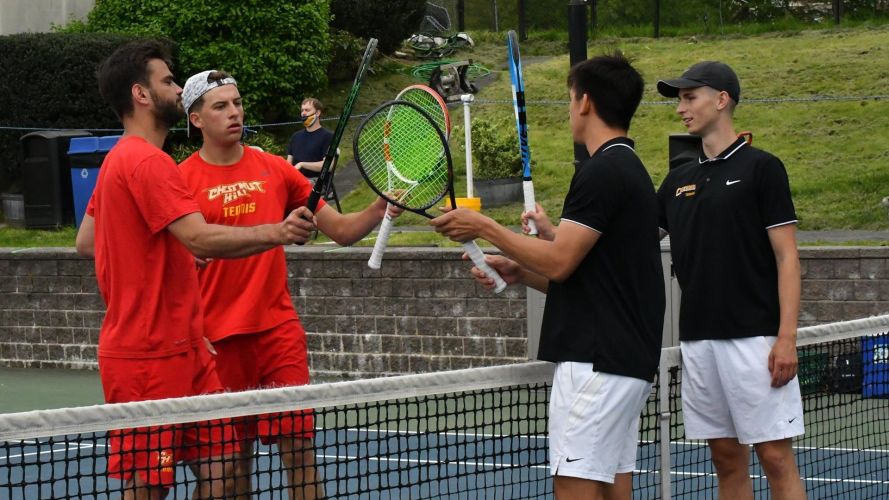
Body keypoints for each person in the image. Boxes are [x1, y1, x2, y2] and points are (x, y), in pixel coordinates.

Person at [75, 41, 314, 500]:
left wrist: (168, 249)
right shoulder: (147, 161)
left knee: (223, 465)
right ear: (141, 95)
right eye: (167, 81)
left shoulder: (123, 162)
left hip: (188, 350)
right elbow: (201, 237)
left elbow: (87, 240)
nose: (177, 88)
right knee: (152, 483)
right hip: (146, 360)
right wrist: (278, 232)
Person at [430, 53, 664, 500]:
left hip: (596, 366)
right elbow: (592, 279)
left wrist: (484, 227)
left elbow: (559, 261)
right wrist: (519, 271)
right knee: (615, 491)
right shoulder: (628, 169)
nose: (569, 106)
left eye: (570, 97)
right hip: (623, 364)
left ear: (585, 103)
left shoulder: (602, 171)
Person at [178, 70, 399, 499]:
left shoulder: (275, 169)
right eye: (220, 106)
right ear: (196, 118)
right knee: (226, 470)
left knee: (299, 452)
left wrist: (378, 208)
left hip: (277, 334)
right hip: (215, 342)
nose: (234, 112)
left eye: (237, 103)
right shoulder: (179, 180)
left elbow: (342, 231)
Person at [656, 61, 805, 499]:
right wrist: (557, 237)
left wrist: (787, 338)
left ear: (721, 100)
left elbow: (788, 257)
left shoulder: (763, 169)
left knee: (776, 459)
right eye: (679, 100)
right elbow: (630, 242)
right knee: (724, 458)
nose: (681, 108)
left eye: (689, 97)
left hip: (756, 341)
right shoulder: (677, 180)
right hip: (698, 342)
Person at [285, 97, 333, 183]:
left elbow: (329, 166)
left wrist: (302, 164)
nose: (303, 113)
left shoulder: (328, 136)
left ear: (317, 113)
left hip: (316, 182)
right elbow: (288, 164)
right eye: (302, 110)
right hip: (295, 181)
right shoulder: (295, 136)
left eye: (307, 110)